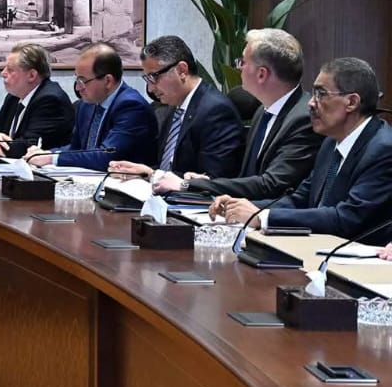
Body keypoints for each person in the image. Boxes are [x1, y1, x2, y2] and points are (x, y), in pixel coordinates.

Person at [212, 58, 392, 241]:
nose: (311, 103)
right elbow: (300, 199)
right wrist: (242, 207)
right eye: (313, 94)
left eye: (321, 94)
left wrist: (262, 217)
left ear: (352, 102)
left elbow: (347, 218)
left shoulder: (383, 150)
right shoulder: (330, 143)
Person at [160, 29, 322, 197]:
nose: (238, 68)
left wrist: (188, 185)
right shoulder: (262, 111)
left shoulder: (303, 119)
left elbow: (271, 184)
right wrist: (206, 183)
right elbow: (247, 178)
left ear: (261, 74)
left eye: (242, 62)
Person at [107, 35, 244, 184]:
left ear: (181, 70)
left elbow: (214, 180)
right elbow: (168, 168)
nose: (150, 89)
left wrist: (153, 175)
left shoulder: (216, 110)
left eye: (154, 77)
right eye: (147, 79)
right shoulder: (172, 106)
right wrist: (142, 173)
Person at [25, 42, 158, 170]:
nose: (78, 88)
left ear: (108, 81)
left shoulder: (131, 106)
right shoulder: (86, 104)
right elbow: (77, 149)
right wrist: (47, 153)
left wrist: (52, 158)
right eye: (77, 79)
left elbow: (106, 156)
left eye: (83, 80)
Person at [0, 42, 73, 157]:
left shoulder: (50, 100)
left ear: (31, 75)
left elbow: (24, 148)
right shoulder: (14, 97)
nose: (3, 73)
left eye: (10, 70)